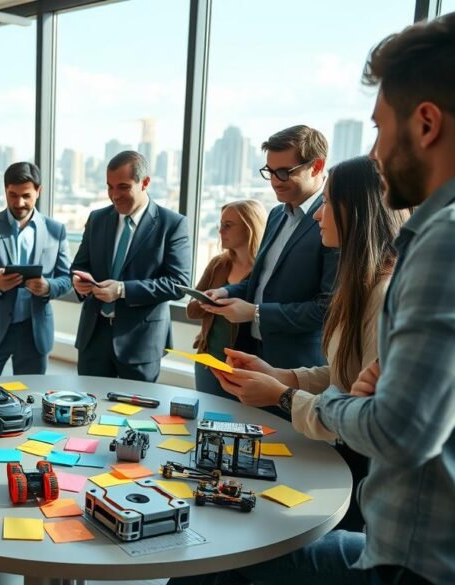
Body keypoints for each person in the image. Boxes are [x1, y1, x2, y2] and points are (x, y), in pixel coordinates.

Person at [171, 13, 455, 585]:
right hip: (397, 534)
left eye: (379, 128)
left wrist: (291, 394)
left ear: (425, 123)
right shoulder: (418, 242)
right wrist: (302, 381)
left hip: (411, 557)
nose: (374, 152)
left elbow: (399, 427)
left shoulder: (440, 246)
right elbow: (367, 387)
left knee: (224, 556)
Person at [212, 156, 407, 532]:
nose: (318, 214)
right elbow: (344, 373)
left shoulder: (384, 296)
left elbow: (367, 413)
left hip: (364, 475)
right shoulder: (360, 285)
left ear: (356, 212)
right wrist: (282, 375)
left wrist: (281, 395)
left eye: (328, 203)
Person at [204, 125, 338, 370]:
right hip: (253, 351)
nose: (275, 181)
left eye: (284, 172)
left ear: (317, 166)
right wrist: (226, 292)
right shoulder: (276, 214)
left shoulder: (333, 219)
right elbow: (261, 280)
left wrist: (255, 313)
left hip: (298, 364)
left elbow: (327, 308)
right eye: (270, 171)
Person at [71, 151, 191, 382]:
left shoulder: (172, 224)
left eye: (123, 187)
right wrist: (79, 282)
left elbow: (178, 283)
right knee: (88, 402)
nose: (114, 195)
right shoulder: (97, 219)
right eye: (110, 187)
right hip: (93, 337)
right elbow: (79, 266)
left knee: (136, 406)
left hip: (141, 342)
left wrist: (122, 290)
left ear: (145, 182)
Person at [0, 162, 72, 376]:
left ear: (38, 191)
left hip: (34, 332)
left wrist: (48, 287)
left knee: (31, 394)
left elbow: (67, 278)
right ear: (5, 190)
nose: (19, 202)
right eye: (12, 195)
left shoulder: (55, 230)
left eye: (26, 196)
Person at [186, 200, 267, 396]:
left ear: (250, 228)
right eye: (220, 224)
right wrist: (206, 301)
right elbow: (192, 311)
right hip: (208, 360)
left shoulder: (264, 271)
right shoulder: (218, 264)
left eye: (228, 225)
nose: (220, 231)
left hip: (244, 366)